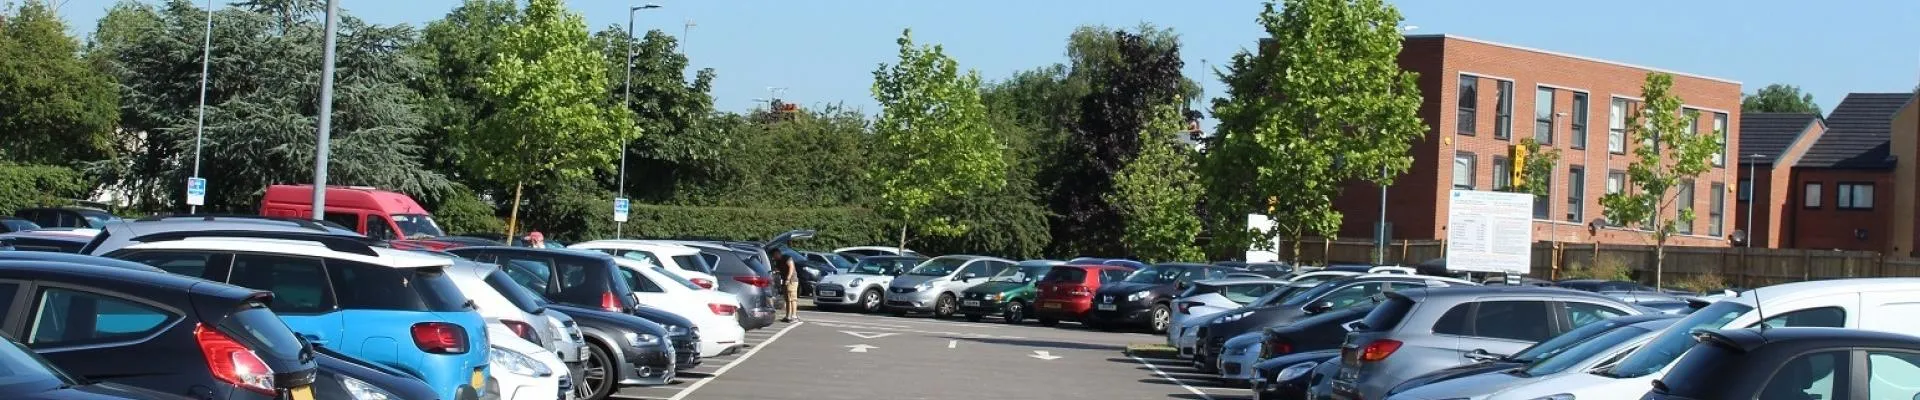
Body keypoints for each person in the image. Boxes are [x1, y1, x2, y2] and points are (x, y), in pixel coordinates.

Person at [775, 249, 800, 323]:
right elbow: (778, 269)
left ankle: (794, 316)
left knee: (792, 298)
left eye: (774, 255)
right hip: (785, 281)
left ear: (778, 253)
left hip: (792, 280)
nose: (774, 257)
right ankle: (788, 316)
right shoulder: (778, 261)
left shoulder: (787, 258)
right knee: (787, 299)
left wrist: (788, 278)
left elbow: (791, 268)